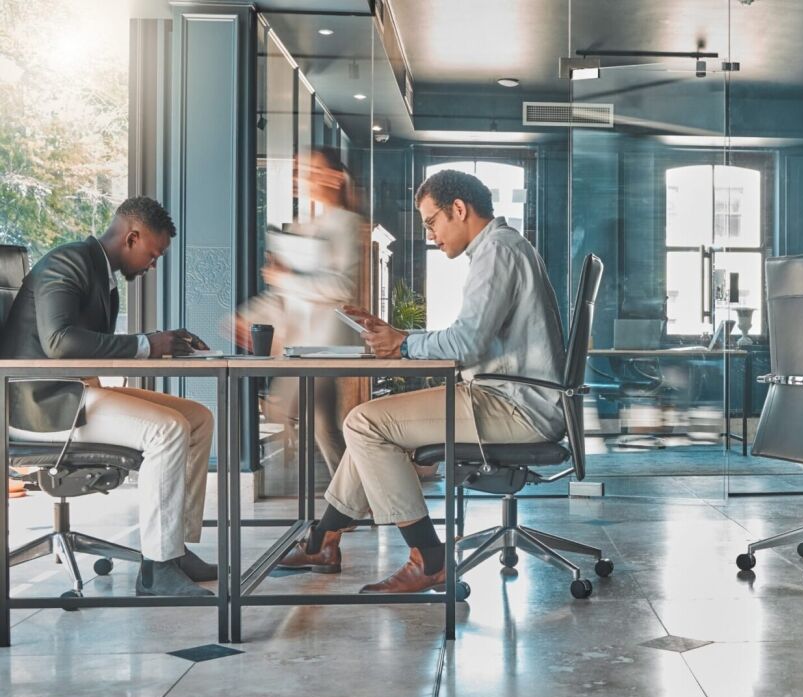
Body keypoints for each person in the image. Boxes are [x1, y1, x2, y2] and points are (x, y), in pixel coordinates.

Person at [277, 169, 566, 593]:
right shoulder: (501, 249)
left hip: (516, 407)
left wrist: (403, 344)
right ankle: (324, 540)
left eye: (432, 221)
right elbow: (474, 337)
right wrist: (400, 339)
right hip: (510, 395)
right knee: (369, 422)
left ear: (460, 210)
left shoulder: (497, 253)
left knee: (365, 423)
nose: (430, 234)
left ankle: (428, 559)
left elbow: (466, 343)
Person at [0, 197, 218, 597]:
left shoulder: (99, 271)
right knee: (167, 430)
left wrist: (163, 341)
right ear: (132, 237)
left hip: (73, 393)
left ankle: (173, 546)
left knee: (198, 417)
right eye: (153, 254)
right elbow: (60, 342)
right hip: (40, 405)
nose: (153, 265)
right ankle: (157, 570)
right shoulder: (69, 262)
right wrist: (146, 345)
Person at [235, 146, 363, 474]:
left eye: (310, 169)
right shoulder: (300, 226)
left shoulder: (346, 223)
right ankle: (355, 497)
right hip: (299, 341)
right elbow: (283, 291)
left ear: (335, 178)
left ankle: (353, 497)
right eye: (300, 169)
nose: (302, 176)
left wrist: (288, 276)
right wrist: (249, 317)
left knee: (289, 410)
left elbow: (342, 287)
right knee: (322, 423)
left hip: (326, 342)